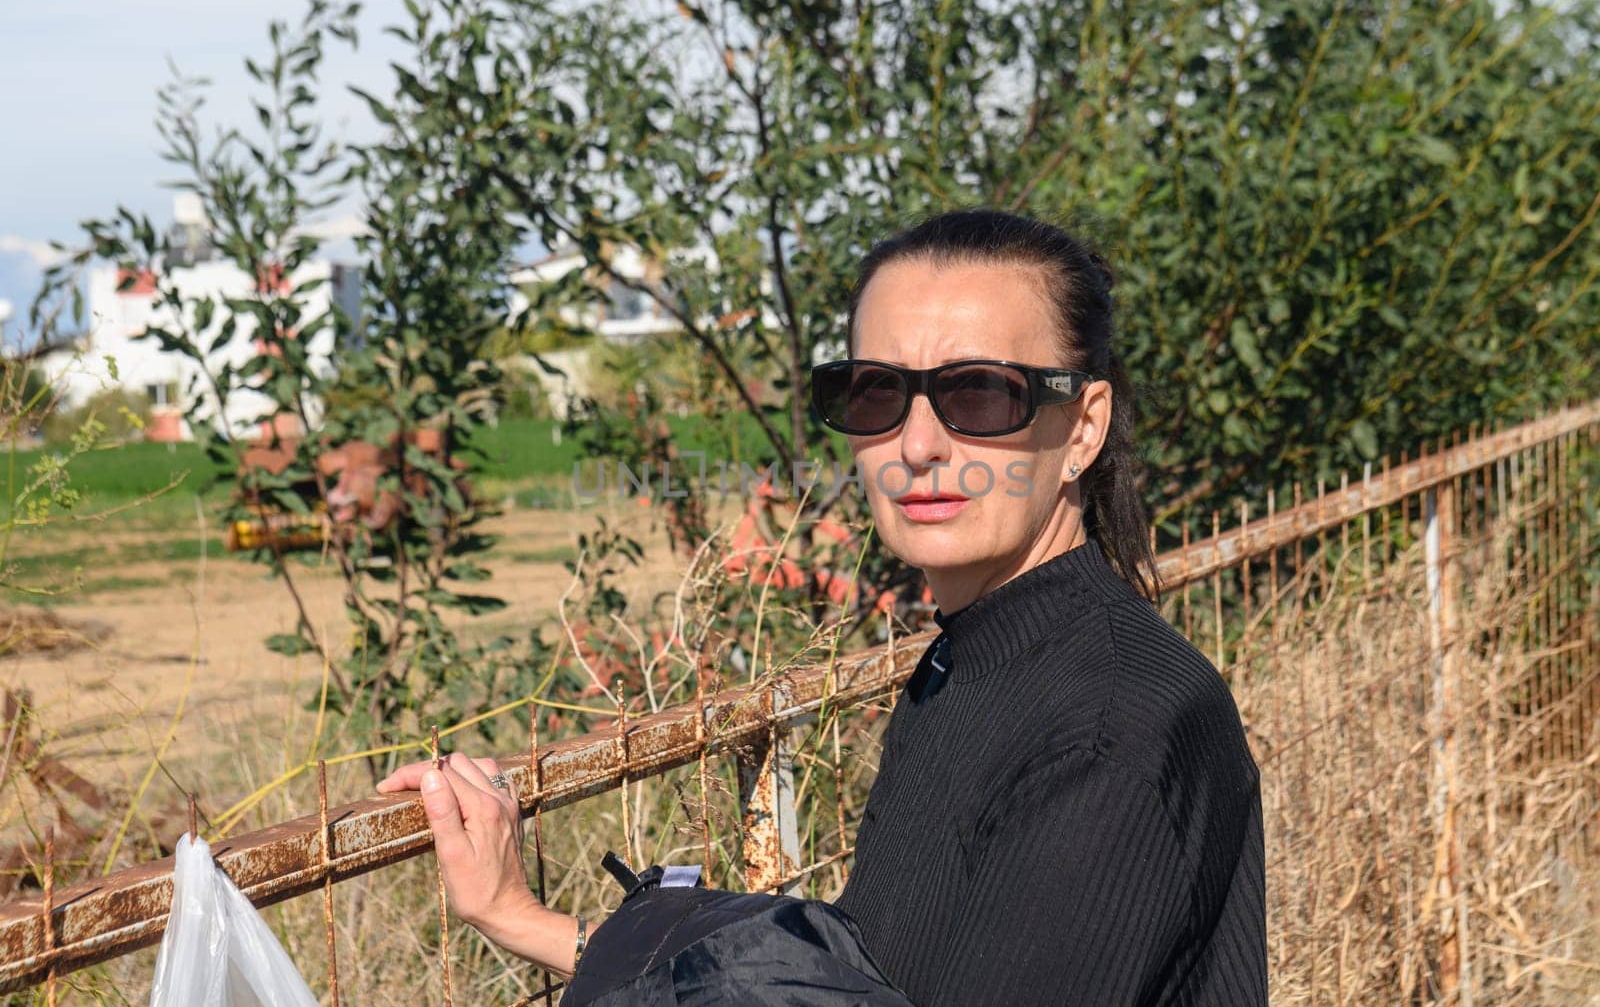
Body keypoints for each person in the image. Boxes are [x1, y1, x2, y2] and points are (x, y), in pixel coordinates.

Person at [377, 208, 1268, 1005]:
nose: (917, 444)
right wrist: (513, 911)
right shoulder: (971, 661)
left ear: (1082, 427)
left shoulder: (1108, 733)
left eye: (980, 394)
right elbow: (852, 979)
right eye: (878, 393)